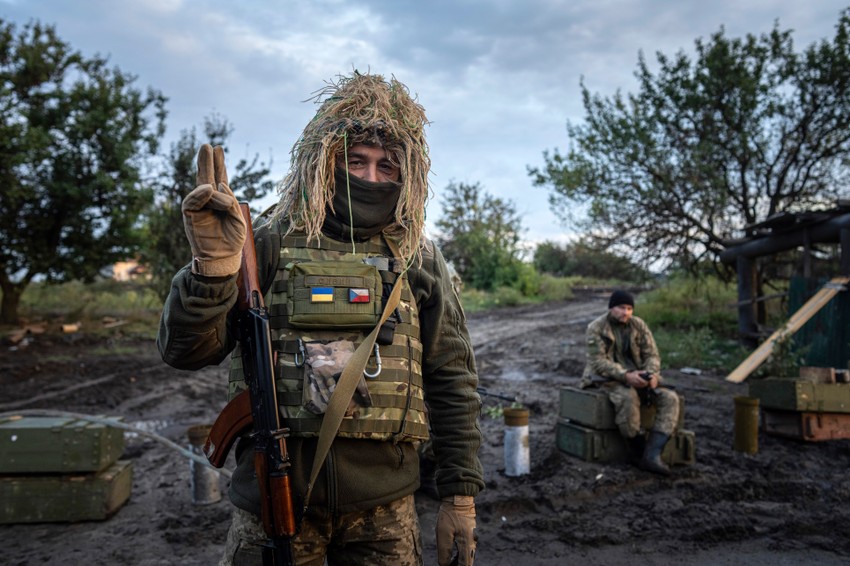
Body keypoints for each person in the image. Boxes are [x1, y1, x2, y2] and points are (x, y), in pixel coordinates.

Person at [157, 72, 483, 566]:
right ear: (325, 160)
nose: (370, 178)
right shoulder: (264, 239)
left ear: (407, 174)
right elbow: (186, 351)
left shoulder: (418, 256)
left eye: (386, 166)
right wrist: (213, 270)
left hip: (385, 513)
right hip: (274, 497)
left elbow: (452, 376)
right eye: (356, 161)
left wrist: (459, 496)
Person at [580, 290, 680, 475]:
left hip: (639, 376)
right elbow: (598, 362)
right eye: (621, 308)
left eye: (629, 308)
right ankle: (638, 450)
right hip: (608, 379)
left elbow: (652, 354)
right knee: (628, 398)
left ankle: (652, 455)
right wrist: (626, 376)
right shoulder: (596, 328)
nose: (625, 312)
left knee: (670, 398)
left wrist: (651, 375)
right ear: (611, 308)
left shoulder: (638, 325)